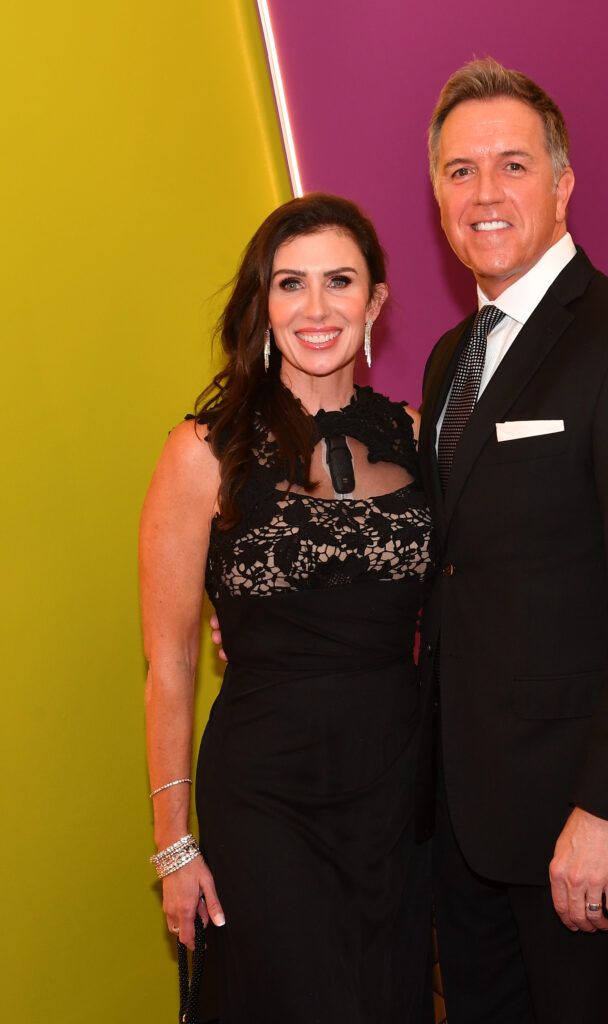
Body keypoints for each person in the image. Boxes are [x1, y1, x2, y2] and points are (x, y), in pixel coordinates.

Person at [415, 59, 608, 1023]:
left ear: (561, 186)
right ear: (437, 198)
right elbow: (456, 566)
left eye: (511, 165)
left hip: (585, 833)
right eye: (459, 171)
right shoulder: (449, 359)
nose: (484, 193)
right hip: (466, 827)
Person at [140, 193, 434, 1023]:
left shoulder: (418, 438)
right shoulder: (202, 451)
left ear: (374, 301)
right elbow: (170, 662)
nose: (315, 308)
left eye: (339, 281)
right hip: (266, 792)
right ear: (263, 304)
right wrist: (174, 847)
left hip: (396, 787)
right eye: (290, 283)